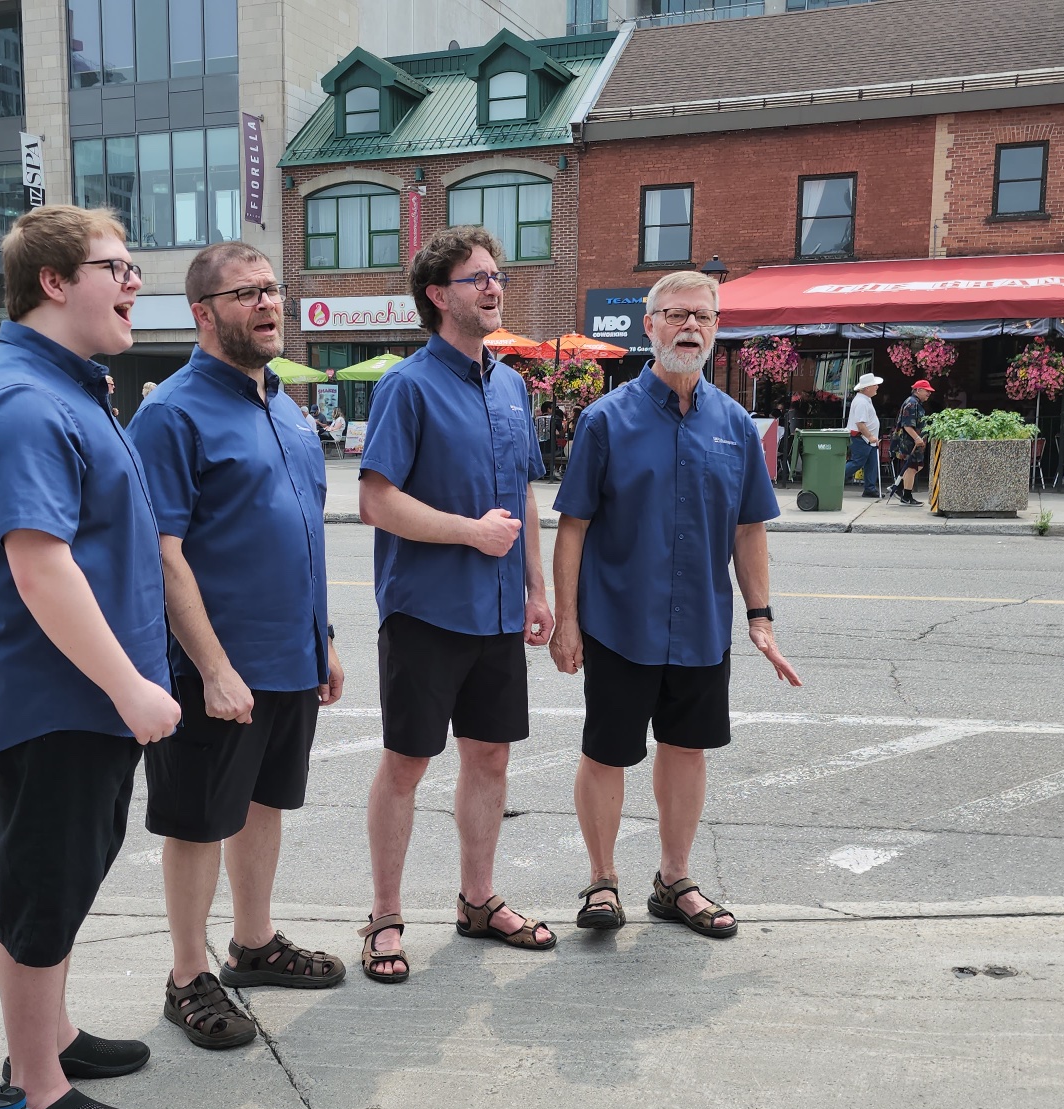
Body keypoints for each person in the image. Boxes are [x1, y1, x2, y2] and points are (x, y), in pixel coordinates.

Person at [0, 205, 180, 1109]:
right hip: (58, 701)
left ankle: (48, 1037)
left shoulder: (73, 387)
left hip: (80, 699)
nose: (133, 283)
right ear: (54, 282)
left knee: (61, 880)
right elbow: (40, 567)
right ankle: (34, 1096)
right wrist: (128, 687)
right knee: (43, 890)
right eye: (115, 268)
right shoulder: (24, 402)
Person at [126, 242, 346, 1052]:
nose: (266, 304)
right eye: (245, 293)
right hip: (210, 667)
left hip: (289, 657)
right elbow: (161, 553)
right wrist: (213, 668)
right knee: (195, 820)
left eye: (272, 289)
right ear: (202, 313)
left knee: (263, 805)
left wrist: (321, 639)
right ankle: (188, 975)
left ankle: (252, 944)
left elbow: (303, 537)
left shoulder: (284, 406)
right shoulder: (172, 413)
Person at [549, 270, 802, 940]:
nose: (690, 327)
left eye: (704, 316)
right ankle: (602, 881)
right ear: (648, 325)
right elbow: (571, 525)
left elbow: (749, 529)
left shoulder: (734, 427)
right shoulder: (605, 421)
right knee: (606, 753)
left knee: (686, 749)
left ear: (717, 330)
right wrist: (567, 622)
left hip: (698, 624)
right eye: (676, 314)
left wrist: (760, 616)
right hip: (616, 622)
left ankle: (673, 879)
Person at [356, 225, 555, 984]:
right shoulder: (406, 385)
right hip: (426, 610)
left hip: (501, 612)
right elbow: (375, 500)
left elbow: (525, 499)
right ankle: (383, 916)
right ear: (438, 296)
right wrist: (469, 535)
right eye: (477, 278)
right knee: (407, 763)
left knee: (491, 758)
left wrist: (539, 590)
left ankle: (477, 901)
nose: (493, 286)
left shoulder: (509, 383)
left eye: (496, 275)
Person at [889, 379, 933, 506]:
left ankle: (898, 487)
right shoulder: (911, 403)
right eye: (927, 391)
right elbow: (907, 425)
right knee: (912, 467)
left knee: (917, 466)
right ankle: (906, 496)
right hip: (909, 443)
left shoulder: (916, 403)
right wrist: (917, 438)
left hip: (913, 443)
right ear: (918, 390)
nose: (929, 394)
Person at [844, 373, 884, 499]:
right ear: (867, 388)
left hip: (866, 438)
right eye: (874, 385)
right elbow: (860, 424)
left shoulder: (864, 399)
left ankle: (870, 488)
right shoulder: (862, 402)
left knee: (871, 463)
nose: (877, 387)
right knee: (857, 462)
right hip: (862, 437)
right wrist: (870, 436)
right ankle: (833, 478)